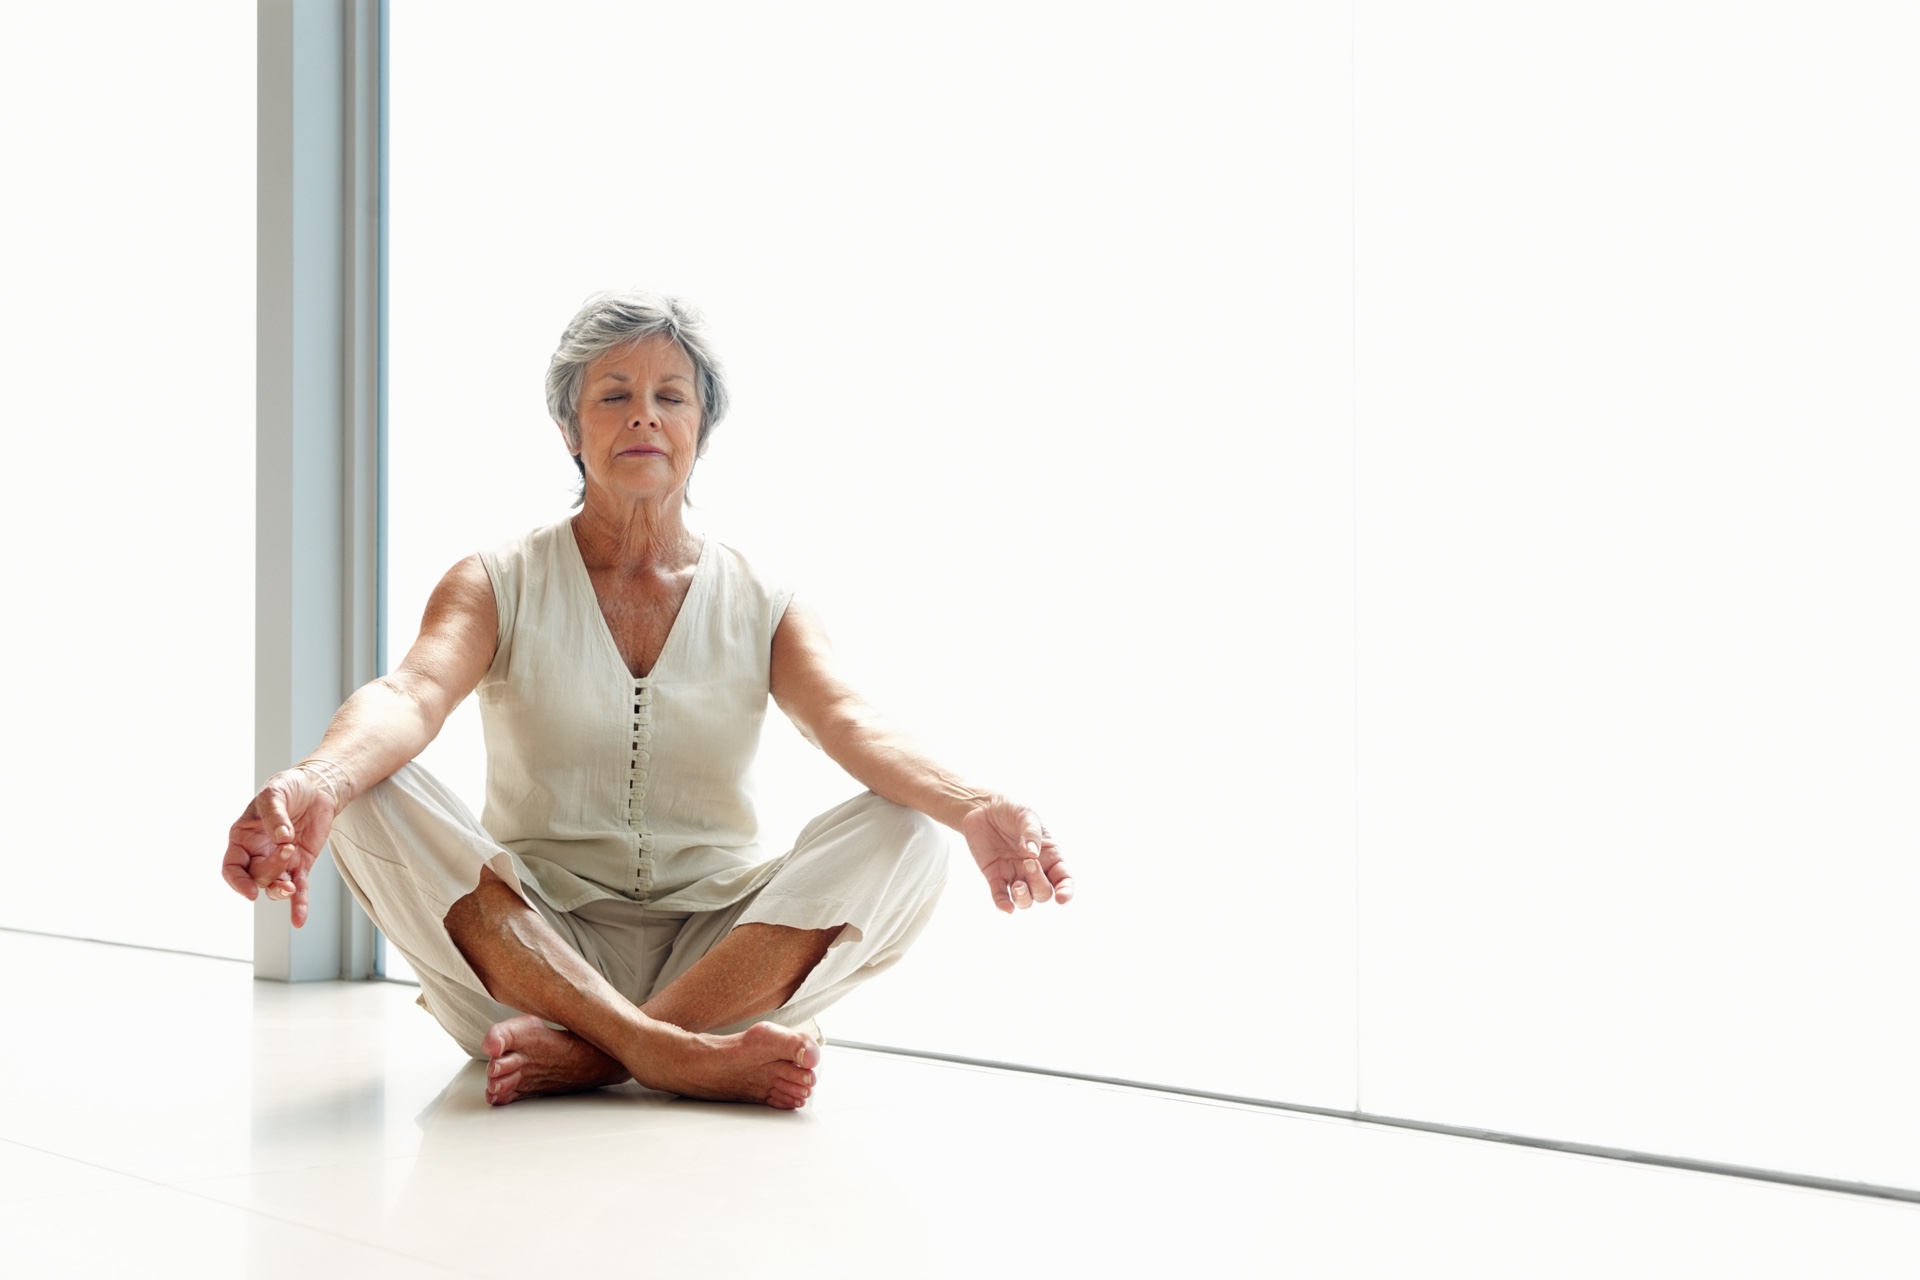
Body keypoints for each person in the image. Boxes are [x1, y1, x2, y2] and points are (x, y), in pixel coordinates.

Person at [221, 291, 1073, 1111]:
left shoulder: (765, 600)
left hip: (722, 959)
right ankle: (676, 1055)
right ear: (570, 428)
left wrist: (974, 806)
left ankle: (601, 1053)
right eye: (614, 396)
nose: (643, 417)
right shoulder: (495, 579)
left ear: (701, 428)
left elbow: (846, 719)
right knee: (370, 790)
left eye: (671, 396)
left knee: (908, 832)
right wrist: (320, 780)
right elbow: (412, 693)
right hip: (529, 956)